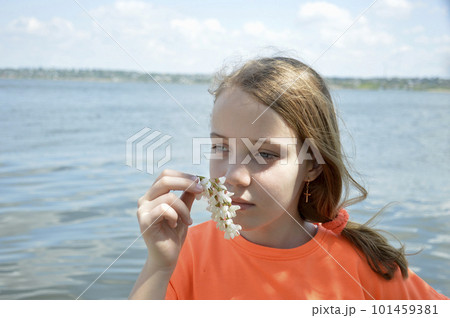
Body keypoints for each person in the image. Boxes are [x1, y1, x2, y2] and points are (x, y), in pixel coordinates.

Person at [128, 56, 448, 300]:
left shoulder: (367, 268)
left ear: (313, 165)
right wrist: (158, 265)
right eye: (219, 147)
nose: (233, 176)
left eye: (265, 154)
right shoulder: (184, 253)